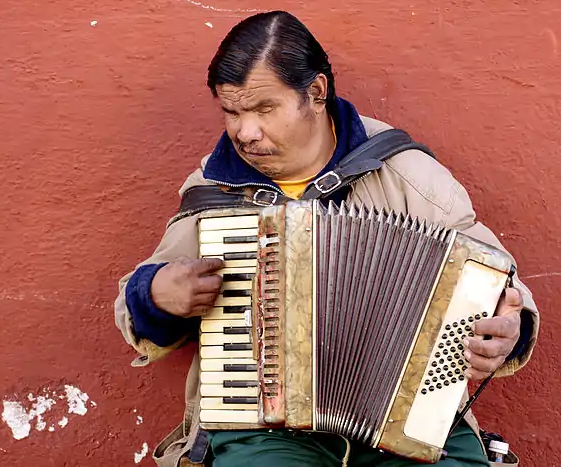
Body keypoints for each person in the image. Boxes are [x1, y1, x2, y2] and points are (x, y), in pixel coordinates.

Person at [114, 10, 539, 467]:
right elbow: (138, 302)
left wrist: (508, 331)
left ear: (315, 93)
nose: (244, 132)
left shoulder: (406, 174)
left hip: (408, 417)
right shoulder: (215, 189)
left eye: (263, 109)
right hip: (263, 424)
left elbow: (497, 280)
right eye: (231, 112)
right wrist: (157, 296)